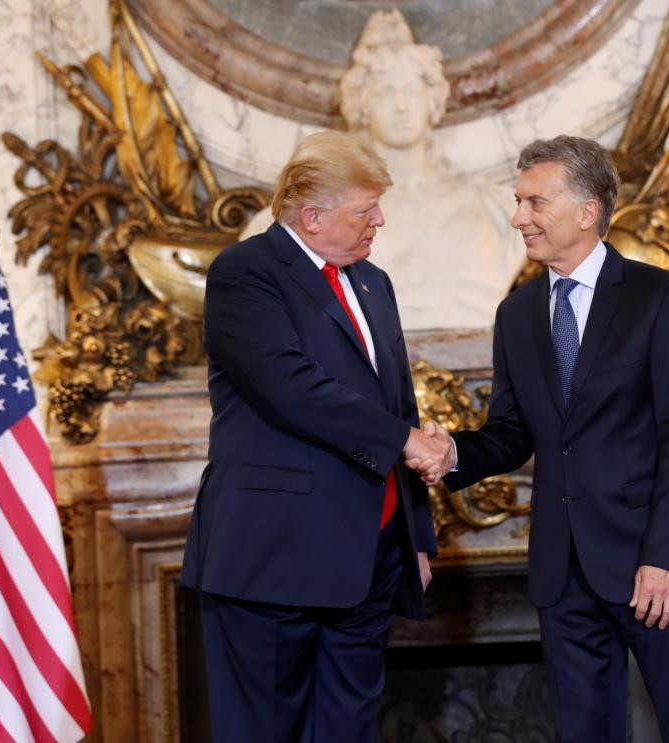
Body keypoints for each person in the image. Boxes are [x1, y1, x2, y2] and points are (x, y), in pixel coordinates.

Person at [414, 135, 669, 742]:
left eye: (534, 202)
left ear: (587, 212)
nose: (517, 218)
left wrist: (663, 559)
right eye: (517, 201)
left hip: (653, 565)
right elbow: (513, 432)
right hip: (563, 574)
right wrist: (453, 451)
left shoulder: (660, 297)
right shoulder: (517, 314)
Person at [180, 131, 454, 741]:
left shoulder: (372, 283)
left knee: (348, 730)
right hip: (273, 558)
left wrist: (416, 537)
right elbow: (289, 386)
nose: (379, 220)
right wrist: (409, 442)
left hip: (370, 556)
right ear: (312, 215)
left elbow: (398, 404)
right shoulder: (245, 272)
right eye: (365, 210)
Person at [241, 9, 527, 330]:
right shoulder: (296, 222)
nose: (401, 105)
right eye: (385, 92)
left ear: (433, 99)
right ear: (362, 105)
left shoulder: (497, 209)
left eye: (412, 90)